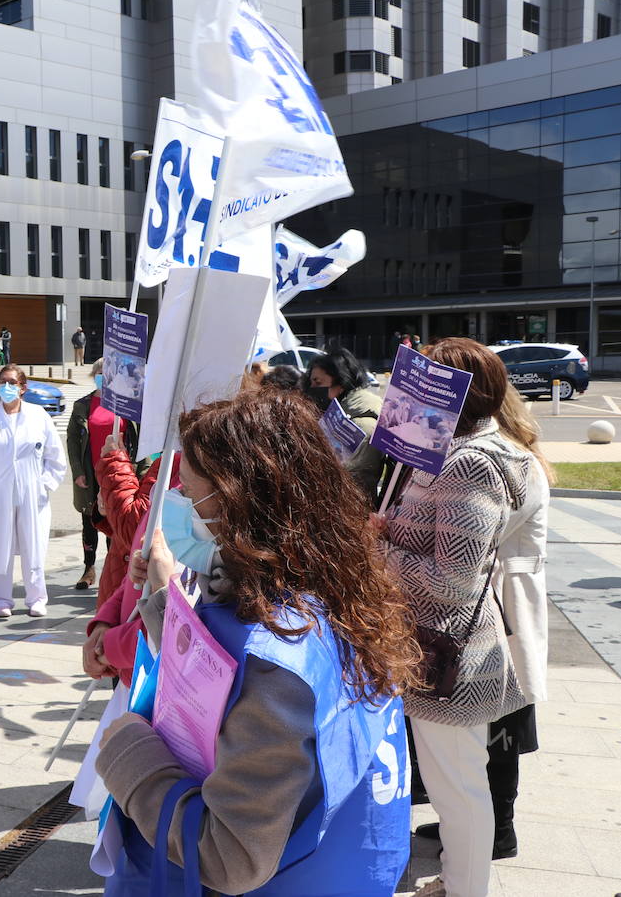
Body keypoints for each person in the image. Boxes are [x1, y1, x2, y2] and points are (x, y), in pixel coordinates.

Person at [99, 388, 421, 896]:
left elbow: (232, 857)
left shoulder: (277, 669)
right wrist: (171, 596)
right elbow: (221, 687)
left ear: (239, 506)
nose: (176, 507)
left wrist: (127, 754)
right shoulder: (332, 588)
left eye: (187, 493)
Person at [375, 337, 533, 897]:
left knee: (457, 788)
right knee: (453, 785)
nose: (412, 389)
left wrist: (378, 551)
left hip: (452, 659)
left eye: (427, 379)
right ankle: (461, 880)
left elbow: (453, 580)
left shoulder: (470, 465)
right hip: (436, 650)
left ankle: (468, 890)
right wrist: (388, 528)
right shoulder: (449, 451)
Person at [412, 386, 552, 863]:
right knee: (476, 748)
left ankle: (494, 830)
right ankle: (474, 831)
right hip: (488, 602)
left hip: (497, 608)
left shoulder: (493, 463)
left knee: (497, 734)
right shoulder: (500, 456)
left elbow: (461, 560)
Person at [0, 364, 67, 618]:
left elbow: (55, 457)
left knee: (33, 546)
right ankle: (1, 600)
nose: (6, 387)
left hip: (32, 494)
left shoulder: (38, 416)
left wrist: (45, 486)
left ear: (23, 388)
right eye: (2, 382)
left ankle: (36, 598)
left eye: (12, 382)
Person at [83, 434, 163, 684]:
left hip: (140, 655)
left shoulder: (181, 461)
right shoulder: (175, 459)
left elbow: (134, 524)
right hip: (122, 598)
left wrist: (113, 463)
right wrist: (105, 623)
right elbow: (135, 535)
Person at [67, 358, 138, 592]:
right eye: (98, 372)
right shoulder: (82, 405)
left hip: (116, 473)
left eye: (105, 372)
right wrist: (78, 472)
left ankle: (113, 565)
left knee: (114, 519)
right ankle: (89, 568)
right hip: (90, 472)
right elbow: (73, 442)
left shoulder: (124, 406)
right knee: (90, 519)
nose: (101, 376)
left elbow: (136, 440)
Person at [307, 348, 386, 503]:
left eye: (318, 382)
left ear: (340, 383)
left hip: (352, 511)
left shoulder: (362, 423)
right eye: (311, 382)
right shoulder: (337, 413)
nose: (312, 388)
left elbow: (345, 477)